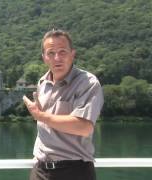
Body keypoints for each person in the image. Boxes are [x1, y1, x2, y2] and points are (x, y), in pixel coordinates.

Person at [23, 29, 104, 180]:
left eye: (62, 52)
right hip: (40, 171)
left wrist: (41, 116)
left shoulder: (88, 83)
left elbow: (84, 128)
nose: (57, 58)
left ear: (72, 54)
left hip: (75, 171)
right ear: (44, 58)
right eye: (51, 53)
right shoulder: (42, 83)